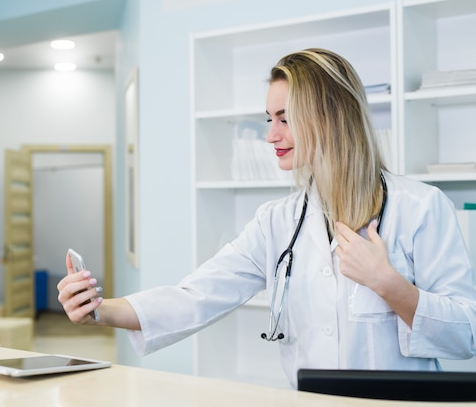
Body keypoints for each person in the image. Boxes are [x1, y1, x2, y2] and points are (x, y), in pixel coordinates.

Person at [57, 48, 476, 389]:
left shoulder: (421, 207)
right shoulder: (277, 222)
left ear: (331, 117)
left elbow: (466, 335)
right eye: (269, 120)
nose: (270, 135)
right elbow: (197, 296)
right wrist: (99, 310)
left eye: (284, 119)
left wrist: (390, 285)